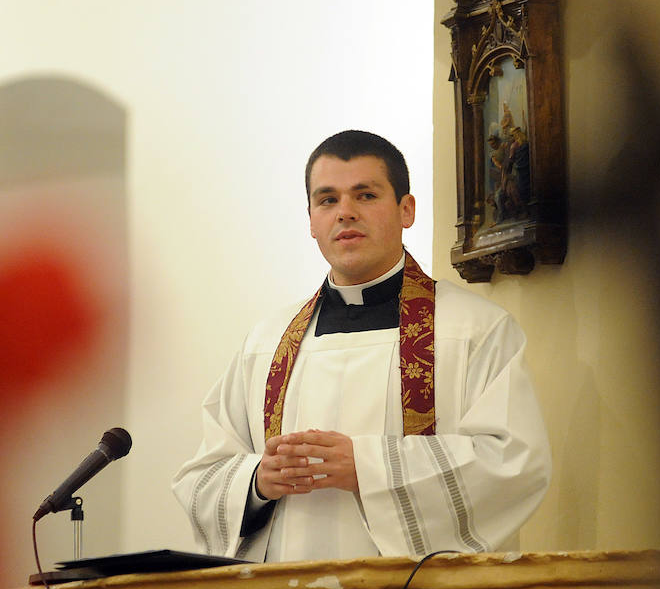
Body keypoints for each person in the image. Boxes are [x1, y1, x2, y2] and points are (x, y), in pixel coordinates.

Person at [172, 130, 551, 562]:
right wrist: (257, 481)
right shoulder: (265, 342)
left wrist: (368, 467)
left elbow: (513, 463)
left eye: (366, 195)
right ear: (311, 219)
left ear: (405, 210)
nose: (345, 213)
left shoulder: (474, 330)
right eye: (328, 199)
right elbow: (202, 477)